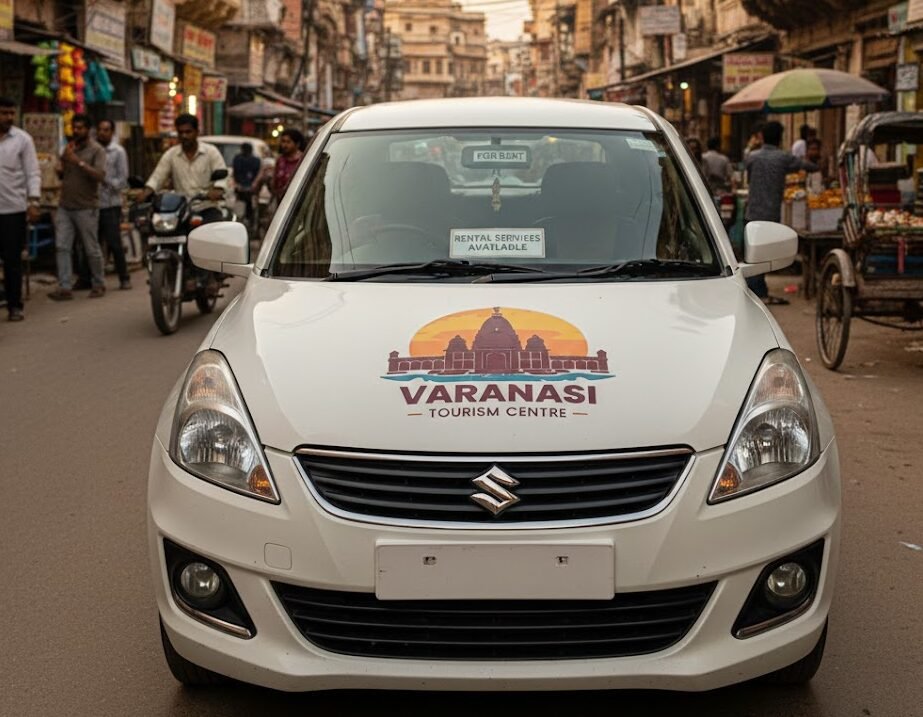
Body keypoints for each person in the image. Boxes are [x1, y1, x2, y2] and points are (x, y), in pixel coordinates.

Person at [744, 120, 818, 304]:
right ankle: (758, 289)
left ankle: (756, 288)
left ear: (762, 137)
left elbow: (748, 169)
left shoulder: (752, 157)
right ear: (780, 138)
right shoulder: (783, 158)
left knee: (754, 251)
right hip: (771, 212)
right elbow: (807, 166)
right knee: (764, 252)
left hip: (753, 211)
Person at [48, 114, 108, 301]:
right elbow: (62, 173)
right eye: (74, 128)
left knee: (91, 248)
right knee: (62, 246)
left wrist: (78, 162)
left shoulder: (97, 150)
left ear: (88, 130)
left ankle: (98, 283)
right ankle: (65, 286)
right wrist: (62, 164)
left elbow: (100, 176)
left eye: (80, 128)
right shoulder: (70, 148)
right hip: (66, 205)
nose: (76, 131)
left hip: (86, 206)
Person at [0, 97, 41, 321]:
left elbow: (32, 172)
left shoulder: (23, 140)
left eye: (10, 113)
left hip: (12, 210)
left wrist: (33, 202)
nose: (8, 117)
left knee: (12, 260)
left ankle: (15, 306)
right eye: (3, 113)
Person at [77, 119, 131, 290]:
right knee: (90, 242)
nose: (102, 133)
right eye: (100, 129)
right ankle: (86, 278)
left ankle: (124, 277)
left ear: (112, 132)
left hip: (110, 203)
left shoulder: (118, 152)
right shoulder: (90, 150)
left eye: (106, 130)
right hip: (90, 203)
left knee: (114, 242)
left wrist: (102, 178)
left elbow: (122, 180)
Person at [144, 114, 227, 204]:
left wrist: (217, 190)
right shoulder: (171, 154)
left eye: (188, 132)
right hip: (181, 208)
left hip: (207, 206)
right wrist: (146, 192)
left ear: (197, 132)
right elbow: (157, 177)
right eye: (181, 132)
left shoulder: (211, 152)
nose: (184, 136)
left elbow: (222, 176)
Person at [232, 142, 262, 229]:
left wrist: (254, 184)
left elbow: (258, 173)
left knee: (250, 209)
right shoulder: (240, 159)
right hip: (245, 188)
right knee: (245, 209)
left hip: (248, 189)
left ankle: (248, 225)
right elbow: (236, 173)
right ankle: (244, 224)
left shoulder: (239, 159)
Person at [271, 129, 304, 201]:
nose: (284, 145)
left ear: (297, 144)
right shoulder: (280, 160)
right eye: (283, 141)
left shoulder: (303, 160)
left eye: (288, 142)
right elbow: (274, 182)